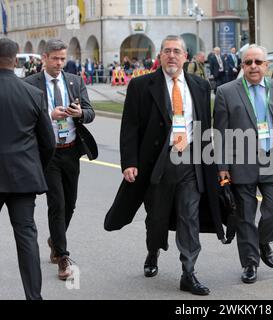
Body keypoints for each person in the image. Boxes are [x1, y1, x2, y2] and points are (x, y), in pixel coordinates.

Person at [104, 35, 227, 296]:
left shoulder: (200, 86)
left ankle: (189, 273)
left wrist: (210, 163)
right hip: (158, 162)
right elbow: (130, 128)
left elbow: (205, 127)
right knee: (157, 217)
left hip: (192, 160)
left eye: (177, 51)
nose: (172, 56)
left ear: (186, 57)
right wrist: (129, 163)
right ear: (159, 56)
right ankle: (153, 250)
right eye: (167, 51)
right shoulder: (141, 85)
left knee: (189, 216)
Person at [214, 44, 273, 284]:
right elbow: (220, 134)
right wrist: (223, 169)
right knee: (245, 216)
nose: (253, 66)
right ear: (242, 66)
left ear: (266, 65)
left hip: (272, 160)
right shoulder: (226, 92)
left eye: (258, 62)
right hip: (241, 163)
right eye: (248, 62)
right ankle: (250, 264)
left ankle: (263, 241)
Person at [24, 39, 98, 281]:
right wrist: (49, 115)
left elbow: (90, 112)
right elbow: (24, 118)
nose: (59, 63)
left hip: (71, 151)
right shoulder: (31, 84)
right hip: (49, 153)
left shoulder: (75, 81)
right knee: (57, 203)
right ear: (44, 58)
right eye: (55, 58)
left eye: (63, 58)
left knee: (70, 203)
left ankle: (55, 240)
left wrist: (80, 113)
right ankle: (63, 257)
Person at [0, 38, 55, 300]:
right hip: (23, 177)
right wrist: (35, 168)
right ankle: (34, 297)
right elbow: (49, 142)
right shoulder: (33, 93)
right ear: (15, 60)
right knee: (27, 239)